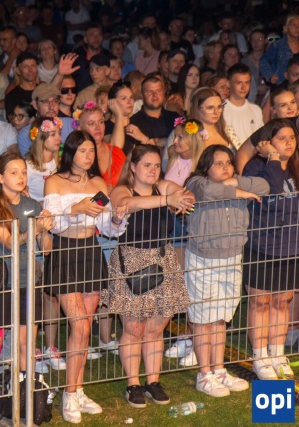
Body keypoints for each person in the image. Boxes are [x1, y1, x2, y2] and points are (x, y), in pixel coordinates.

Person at [43, 130, 127, 422]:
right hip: (65, 252)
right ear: (71, 152)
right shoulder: (54, 181)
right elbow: (52, 224)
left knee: (85, 326)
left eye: (92, 150)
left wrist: (116, 218)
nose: (89, 155)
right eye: (83, 150)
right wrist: (76, 208)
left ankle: (77, 390)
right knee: (79, 324)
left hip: (91, 250)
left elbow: (108, 228)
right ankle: (69, 393)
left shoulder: (98, 183)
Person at [104, 144, 194, 408]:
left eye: (156, 165)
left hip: (163, 260)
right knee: (133, 328)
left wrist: (184, 197)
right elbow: (127, 204)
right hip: (132, 262)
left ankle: (153, 381)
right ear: (133, 167)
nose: (153, 170)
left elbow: (185, 194)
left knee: (155, 328)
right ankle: (133, 383)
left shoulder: (162, 186)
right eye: (146, 165)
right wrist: (168, 200)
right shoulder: (122, 189)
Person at [185, 145, 267, 396]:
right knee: (203, 318)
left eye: (229, 163)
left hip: (232, 258)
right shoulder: (196, 183)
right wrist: (239, 191)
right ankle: (204, 374)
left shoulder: (234, 181)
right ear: (206, 166)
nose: (225, 168)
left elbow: (264, 186)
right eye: (218, 164)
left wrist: (234, 182)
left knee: (221, 316)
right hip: (203, 259)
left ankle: (219, 369)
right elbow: (209, 191)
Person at [0, 153, 53, 422]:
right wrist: (34, 227)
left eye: (23, 172)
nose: (20, 177)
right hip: (1, 284)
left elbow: (46, 249)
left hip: (27, 282)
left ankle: (24, 393)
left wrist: (45, 229)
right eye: (13, 172)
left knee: (25, 342)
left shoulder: (32, 204)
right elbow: (10, 243)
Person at [242, 118, 299, 380]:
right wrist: (273, 158)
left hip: (290, 247)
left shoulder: (296, 168)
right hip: (262, 246)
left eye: (292, 137)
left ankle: (277, 353)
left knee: (282, 301)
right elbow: (274, 189)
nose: (288, 143)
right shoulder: (256, 167)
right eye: (281, 138)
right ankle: (260, 355)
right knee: (260, 302)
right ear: (267, 142)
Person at [236, 88, 298, 173]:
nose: (290, 107)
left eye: (293, 102)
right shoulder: (269, 129)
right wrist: (244, 179)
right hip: (276, 176)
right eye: (283, 105)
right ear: (273, 109)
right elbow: (243, 153)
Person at [222, 63, 264, 148]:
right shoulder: (221, 109)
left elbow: (261, 139)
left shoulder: (256, 109)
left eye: (247, 82)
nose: (243, 87)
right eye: (239, 83)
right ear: (228, 83)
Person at [26, 116, 61, 201]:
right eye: (53, 134)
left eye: (59, 133)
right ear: (40, 138)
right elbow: (23, 197)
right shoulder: (27, 166)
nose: (59, 138)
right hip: (36, 207)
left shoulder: (60, 162)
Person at [259, 15, 299, 86]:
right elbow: (264, 61)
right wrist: (270, 76)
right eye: (293, 25)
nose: (297, 28)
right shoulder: (277, 45)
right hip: (281, 84)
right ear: (286, 28)